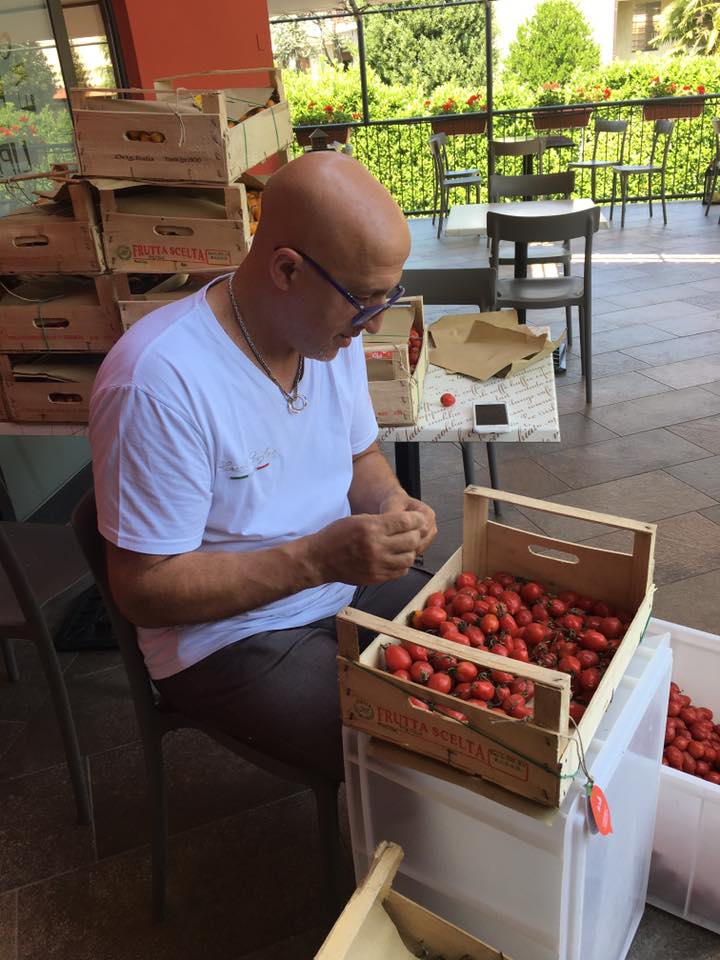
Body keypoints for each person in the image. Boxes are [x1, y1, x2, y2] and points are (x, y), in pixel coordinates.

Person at [89, 152, 437, 783]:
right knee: (417, 747)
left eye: (388, 296)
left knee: (491, 678)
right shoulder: (158, 382)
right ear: (286, 270)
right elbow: (144, 590)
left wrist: (391, 504)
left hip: (339, 584)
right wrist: (317, 560)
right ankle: (392, 873)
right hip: (225, 639)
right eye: (364, 301)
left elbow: (358, 456)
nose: (375, 324)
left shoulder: (331, 335)